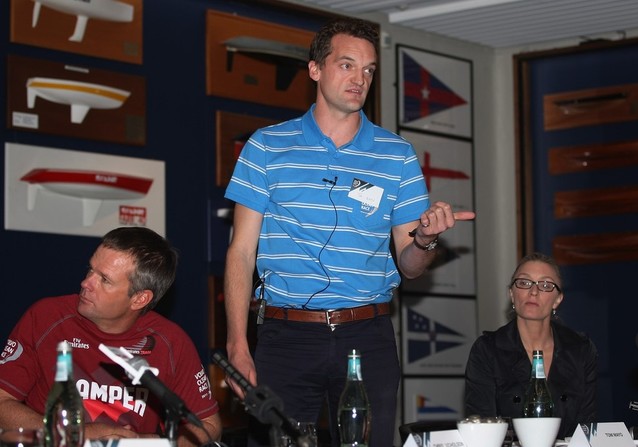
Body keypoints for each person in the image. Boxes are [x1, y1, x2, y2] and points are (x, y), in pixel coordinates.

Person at [223, 17, 475, 447]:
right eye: (346, 65)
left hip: (367, 335)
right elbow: (241, 253)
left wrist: (426, 239)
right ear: (315, 69)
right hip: (285, 336)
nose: (360, 79)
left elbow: (411, 267)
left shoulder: (397, 155)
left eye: (369, 70)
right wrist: (237, 343)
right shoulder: (266, 146)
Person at [0, 227, 221, 446]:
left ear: (139, 299)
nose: (86, 283)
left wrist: (148, 443)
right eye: (90, 270)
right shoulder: (46, 318)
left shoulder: (171, 342)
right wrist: (74, 435)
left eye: (104, 279)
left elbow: (209, 427)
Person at [464, 252, 598, 439]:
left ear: (558, 299)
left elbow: (587, 427)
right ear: (511, 293)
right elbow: (481, 428)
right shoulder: (487, 350)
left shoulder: (581, 350)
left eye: (545, 285)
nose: (533, 292)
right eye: (524, 283)